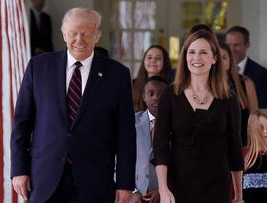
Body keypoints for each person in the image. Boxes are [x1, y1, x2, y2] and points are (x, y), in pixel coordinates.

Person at [11, 7, 136, 203]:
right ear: (63, 34)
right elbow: (21, 123)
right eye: (73, 33)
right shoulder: (38, 67)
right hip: (44, 179)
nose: (79, 39)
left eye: (86, 33)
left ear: (98, 35)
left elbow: (126, 134)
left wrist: (125, 183)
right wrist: (19, 170)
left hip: (94, 182)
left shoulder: (117, 75)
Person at [153, 30, 244, 203]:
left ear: (214, 58)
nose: (197, 58)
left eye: (204, 52)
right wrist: (163, 189)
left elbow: (234, 148)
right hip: (178, 186)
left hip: (217, 186)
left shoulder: (229, 99)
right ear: (185, 57)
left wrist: (239, 195)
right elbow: (160, 146)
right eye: (192, 52)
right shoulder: (170, 95)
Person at [131, 76, 168, 203]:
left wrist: (162, 191)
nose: (156, 98)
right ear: (143, 96)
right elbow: (118, 160)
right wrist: (132, 192)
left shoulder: (177, 126)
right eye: (150, 94)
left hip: (165, 196)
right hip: (136, 196)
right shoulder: (131, 123)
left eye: (161, 94)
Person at [219, 41, 258, 146]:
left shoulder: (245, 83)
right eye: (217, 57)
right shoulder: (204, 86)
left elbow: (255, 119)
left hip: (243, 146)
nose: (220, 62)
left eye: (224, 57)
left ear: (230, 60)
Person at [226, 25, 267, 111]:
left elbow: (266, 108)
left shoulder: (260, 72)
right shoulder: (219, 70)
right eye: (228, 45)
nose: (231, 49)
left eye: (236, 45)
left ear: (247, 45)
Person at [133, 45, 173, 112]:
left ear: (164, 62)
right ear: (144, 61)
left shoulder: (172, 87)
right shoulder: (132, 85)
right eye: (149, 57)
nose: (153, 61)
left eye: (158, 58)